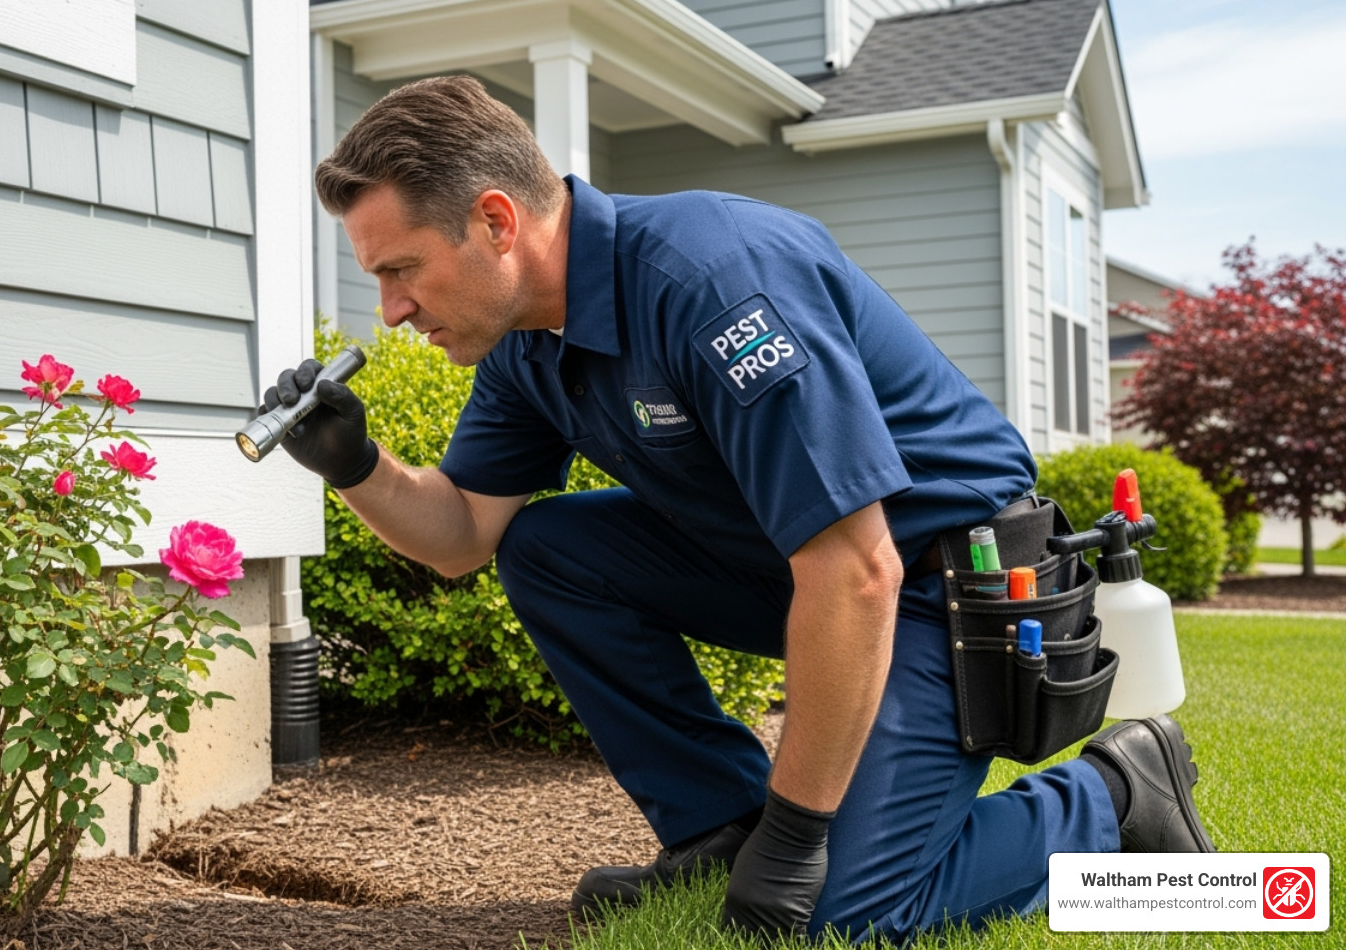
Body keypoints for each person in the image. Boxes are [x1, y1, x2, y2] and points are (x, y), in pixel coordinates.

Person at [263, 75, 1215, 942]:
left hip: (948, 584)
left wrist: (800, 838)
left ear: (496, 221)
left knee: (847, 916)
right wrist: (355, 465)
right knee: (547, 547)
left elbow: (858, 570)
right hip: (805, 567)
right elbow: (464, 534)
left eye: (401, 268)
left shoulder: (713, 282)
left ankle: (1113, 795)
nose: (390, 309)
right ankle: (722, 826)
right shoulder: (527, 343)